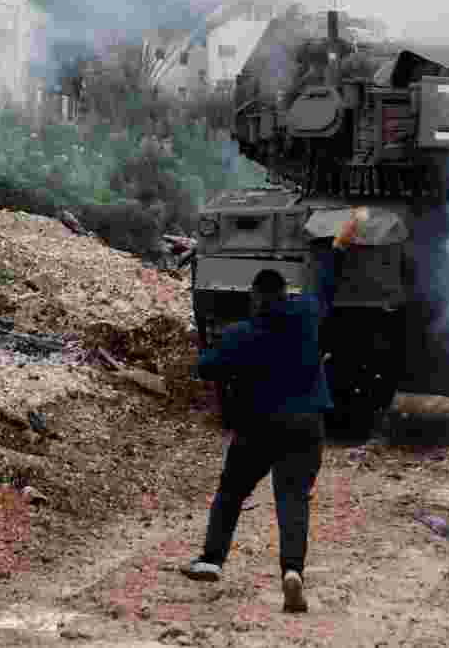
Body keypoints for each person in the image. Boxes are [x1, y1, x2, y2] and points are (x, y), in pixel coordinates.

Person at [181, 209, 364, 614]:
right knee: (293, 497)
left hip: (257, 427)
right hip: (306, 424)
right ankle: (292, 571)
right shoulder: (306, 316)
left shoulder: (240, 334)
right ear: (285, 294)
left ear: (255, 300)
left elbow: (205, 367)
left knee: (231, 493)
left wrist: (216, 355)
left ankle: (211, 559)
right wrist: (339, 246)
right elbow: (325, 284)